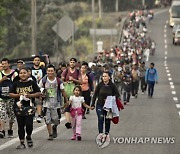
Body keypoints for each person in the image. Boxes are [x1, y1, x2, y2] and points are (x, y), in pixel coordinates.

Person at [9, 67, 41, 149]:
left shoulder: (32, 83)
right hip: (18, 107)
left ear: (28, 74)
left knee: (29, 124)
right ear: (19, 74)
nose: (22, 75)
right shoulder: (16, 83)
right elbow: (10, 94)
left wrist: (30, 95)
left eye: (24, 73)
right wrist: (19, 95)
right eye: (21, 73)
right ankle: (22, 142)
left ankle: (29, 136)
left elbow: (38, 93)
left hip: (29, 107)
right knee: (20, 125)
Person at [39, 64, 68, 140]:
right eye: (49, 71)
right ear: (46, 71)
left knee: (56, 119)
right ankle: (50, 134)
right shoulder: (43, 80)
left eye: (52, 71)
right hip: (46, 103)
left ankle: (54, 126)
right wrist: (41, 95)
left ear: (54, 71)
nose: (50, 72)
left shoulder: (58, 81)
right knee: (47, 119)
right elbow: (39, 90)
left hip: (56, 103)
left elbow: (63, 91)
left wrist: (66, 100)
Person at [91, 71, 120, 138]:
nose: (104, 78)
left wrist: (112, 98)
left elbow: (117, 94)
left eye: (105, 76)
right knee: (100, 118)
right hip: (100, 104)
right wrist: (92, 104)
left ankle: (107, 133)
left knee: (107, 120)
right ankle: (100, 133)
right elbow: (95, 95)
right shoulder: (100, 85)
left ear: (109, 77)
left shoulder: (112, 85)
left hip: (108, 106)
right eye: (103, 76)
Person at [61, 58, 82, 129]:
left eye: (73, 62)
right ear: (69, 63)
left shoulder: (78, 72)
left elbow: (81, 82)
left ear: (75, 63)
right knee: (67, 106)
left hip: (75, 92)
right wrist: (66, 82)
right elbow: (61, 80)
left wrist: (73, 80)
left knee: (74, 107)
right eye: (71, 62)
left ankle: (74, 121)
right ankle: (68, 122)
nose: (72, 63)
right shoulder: (66, 71)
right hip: (67, 91)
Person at [0, 58, 18, 138]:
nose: (4, 65)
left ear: (9, 64)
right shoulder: (0, 74)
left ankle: (10, 129)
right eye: (2, 64)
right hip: (1, 98)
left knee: (11, 115)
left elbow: (18, 84)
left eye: (5, 64)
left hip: (11, 98)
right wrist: (1, 80)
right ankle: (2, 130)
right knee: (2, 114)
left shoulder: (14, 74)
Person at [31, 56, 46, 123]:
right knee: (32, 102)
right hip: (32, 87)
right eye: (35, 60)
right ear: (33, 61)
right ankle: (33, 114)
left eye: (38, 60)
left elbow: (45, 77)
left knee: (39, 101)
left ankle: (39, 115)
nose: (37, 61)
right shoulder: (30, 69)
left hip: (41, 87)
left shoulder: (43, 69)